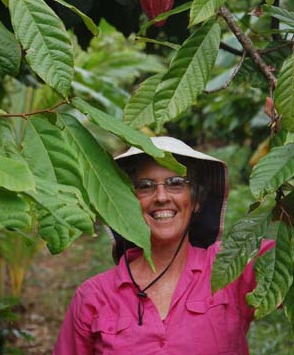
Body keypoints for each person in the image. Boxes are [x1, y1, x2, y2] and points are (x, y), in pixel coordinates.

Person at [52, 136, 273, 355]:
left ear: (195, 200)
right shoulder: (94, 296)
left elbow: (286, 260)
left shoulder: (231, 265)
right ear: (128, 203)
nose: (161, 197)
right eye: (145, 186)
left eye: (175, 183)